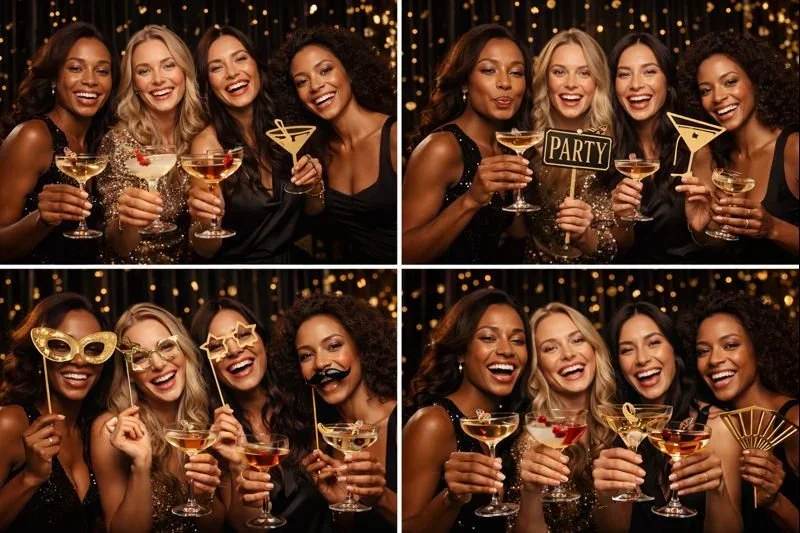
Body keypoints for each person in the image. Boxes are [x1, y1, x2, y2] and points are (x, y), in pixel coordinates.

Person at [249, 293, 398, 531]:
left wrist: (380, 498)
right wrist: (340, 506)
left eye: (333, 346)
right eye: (306, 355)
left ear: (361, 346)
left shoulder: (409, 421)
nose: (320, 364)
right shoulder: (321, 441)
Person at [594, 302, 742, 532]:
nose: (642, 358)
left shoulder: (717, 426)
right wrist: (606, 495)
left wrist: (717, 490)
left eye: (654, 342)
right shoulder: (614, 431)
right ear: (617, 364)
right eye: (627, 349)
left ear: (674, 349)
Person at [189, 297, 331, 532]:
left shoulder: (311, 401)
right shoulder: (214, 432)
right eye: (216, 346)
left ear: (263, 340)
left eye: (243, 334)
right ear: (208, 363)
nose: (234, 350)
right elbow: (244, 528)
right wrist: (237, 464)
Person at [403, 288, 533, 532]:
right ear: (461, 351)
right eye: (488, 338)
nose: (507, 350)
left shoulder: (513, 422)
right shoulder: (433, 423)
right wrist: (451, 499)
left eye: (518, 340)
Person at [190, 26, 323, 263]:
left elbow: (314, 210)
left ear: (257, 65)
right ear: (208, 82)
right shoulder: (208, 146)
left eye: (240, 59)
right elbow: (206, 250)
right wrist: (205, 219)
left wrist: (314, 184)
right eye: (217, 67)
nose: (232, 73)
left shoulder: (288, 127)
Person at [402, 24, 533, 264]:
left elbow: (516, 234)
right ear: (464, 82)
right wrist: (471, 199)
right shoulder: (441, 148)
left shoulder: (507, 145)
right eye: (489, 70)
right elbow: (404, 254)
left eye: (516, 72)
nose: (505, 83)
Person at [90, 303, 224, 532]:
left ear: (184, 351)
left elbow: (215, 527)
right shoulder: (111, 429)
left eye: (166, 347)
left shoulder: (204, 423)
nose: (159, 364)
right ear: (130, 374)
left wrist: (203, 497)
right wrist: (140, 466)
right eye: (140, 357)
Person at [271, 25, 397, 263]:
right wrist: (315, 187)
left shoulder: (394, 137)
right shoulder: (317, 149)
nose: (315, 86)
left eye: (325, 70)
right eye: (301, 82)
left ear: (349, 71)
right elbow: (314, 216)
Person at [0, 22, 117, 263]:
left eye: (102, 71)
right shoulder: (32, 136)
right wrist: (41, 219)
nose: (90, 81)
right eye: (76, 68)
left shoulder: (102, 142)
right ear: (54, 78)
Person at [681, 292, 799, 531]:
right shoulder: (714, 423)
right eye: (703, 351)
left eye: (730, 345)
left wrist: (776, 502)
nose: (714, 359)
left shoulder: (793, 422)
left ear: (758, 347)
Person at [679, 32, 799, 263]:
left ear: (755, 80)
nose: (718, 97)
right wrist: (700, 228)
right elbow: (720, 246)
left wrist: (773, 228)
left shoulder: (793, 149)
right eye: (706, 90)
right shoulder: (710, 158)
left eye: (730, 82)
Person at [0, 292, 114, 531]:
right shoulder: (9, 423)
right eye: (61, 346)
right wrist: (30, 477)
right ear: (39, 353)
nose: (80, 361)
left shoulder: (94, 432)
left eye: (93, 348)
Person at [95, 25, 205, 263]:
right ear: (133, 83)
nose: (158, 79)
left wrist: (208, 218)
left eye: (169, 65)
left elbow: (207, 246)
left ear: (185, 70)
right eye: (144, 71)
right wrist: (127, 221)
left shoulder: (203, 133)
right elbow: (120, 245)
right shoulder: (119, 142)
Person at [509, 303, 619, 532]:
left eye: (577, 340)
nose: (569, 354)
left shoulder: (621, 426)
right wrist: (530, 492)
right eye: (550, 348)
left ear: (594, 348)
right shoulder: (532, 441)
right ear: (537, 366)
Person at [608, 33, 716, 263]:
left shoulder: (695, 148)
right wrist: (622, 221)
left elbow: (715, 243)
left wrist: (700, 229)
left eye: (649, 71)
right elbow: (616, 250)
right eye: (624, 74)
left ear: (667, 81)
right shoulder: (609, 149)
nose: (636, 84)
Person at [524, 29, 622, 264]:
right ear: (545, 79)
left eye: (584, 73)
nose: (570, 84)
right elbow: (516, 233)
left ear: (597, 80)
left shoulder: (618, 144)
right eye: (559, 72)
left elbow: (625, 244)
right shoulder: (525, 143)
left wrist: (586, 237)